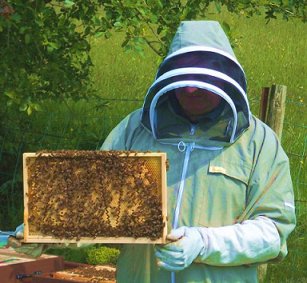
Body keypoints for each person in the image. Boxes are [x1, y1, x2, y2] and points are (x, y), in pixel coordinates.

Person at [101, 21, 296, 283]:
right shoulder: (135, 129)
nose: (191, 89)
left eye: (202, 79)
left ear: (224, 78)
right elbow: (98, 207)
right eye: (183, 78)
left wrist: (204, 243)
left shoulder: (258, 142)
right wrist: (45, 232)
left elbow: (273, 234)